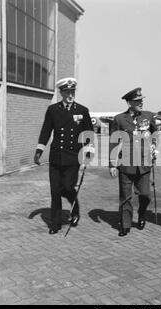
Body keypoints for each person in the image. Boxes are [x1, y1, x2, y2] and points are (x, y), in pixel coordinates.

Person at [34, 77, 94, 234]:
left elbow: (89, 135)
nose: (70, 94)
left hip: (73, 157)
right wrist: (39, 150)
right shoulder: (53, 110)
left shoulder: (82, 110)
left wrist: (88, 154)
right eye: (67, 91)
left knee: (67, 187)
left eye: (72, 91)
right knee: (55, 191)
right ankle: (55, 224)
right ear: (61, 92)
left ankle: (75, 208)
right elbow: (46, 130)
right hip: (56, 156)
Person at [109, 87, 158, 237]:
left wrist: (154, 147)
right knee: (125, 196)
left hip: (144, 163)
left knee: (145, 194)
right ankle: (125, 224)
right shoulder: (119, 119)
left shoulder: (149, 116)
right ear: (129, 102)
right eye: (137, 100)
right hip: (126, 163)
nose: (141, 102)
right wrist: (112, 163)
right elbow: (113, 142)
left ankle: (142, 214)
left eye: (141, 100)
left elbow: (155, 134)